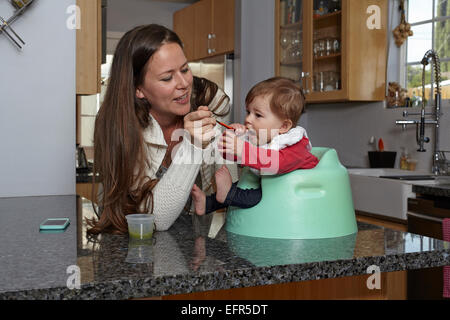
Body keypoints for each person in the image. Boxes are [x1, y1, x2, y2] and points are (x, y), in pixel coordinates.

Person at [86, 24, 233, 234]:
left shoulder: (202, 98)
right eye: (167, 78)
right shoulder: (122, 127)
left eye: (185, 69)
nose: (184, 83)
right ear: (138, 89)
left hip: (192, 244)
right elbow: (155, 220)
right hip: (130, 241)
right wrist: (194, 146)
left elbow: (225, 105)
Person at [191, 77, 319, 216]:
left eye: (257, 115)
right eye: (248, 112)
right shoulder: (261, 137)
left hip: (287, 190)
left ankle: (228, 194)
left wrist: (243, 149)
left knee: (252, 196)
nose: (248, 119)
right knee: (240, 185)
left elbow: (275, 163)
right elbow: (231, 156)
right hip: (269, 184)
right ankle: (207, 203)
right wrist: (232, 140)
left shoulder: (295, 143)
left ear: (284, 126)